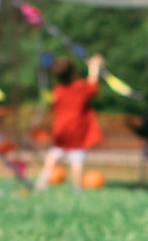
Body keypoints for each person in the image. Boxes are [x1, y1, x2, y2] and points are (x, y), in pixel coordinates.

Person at [34, 54, 104, 191]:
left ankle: (42, 180)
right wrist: (94, 67)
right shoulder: (79, 88)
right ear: (74, 72)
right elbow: (93, 86)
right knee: (77, 158)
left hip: (60, 129)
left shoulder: (57, 90)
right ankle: (77, 187)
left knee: (53, 154)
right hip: (77, 129)